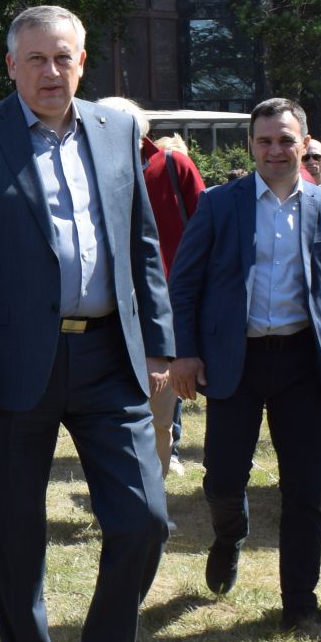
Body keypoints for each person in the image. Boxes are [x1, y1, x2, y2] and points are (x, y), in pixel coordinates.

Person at [0, 10, 175, 642]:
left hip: (110, 358)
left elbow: (141, 246)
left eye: (62, 58)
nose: (49, 72)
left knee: (145, 520)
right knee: (14, 538)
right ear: (10, 66)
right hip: (10, 372)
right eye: (34, 59)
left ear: (81, 64)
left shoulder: (112, 130)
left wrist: (160, 345)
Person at [167, 97, 321, 642]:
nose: (275, 150)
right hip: (234, 363)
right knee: (222, 479)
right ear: (251, 146)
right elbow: (184, 283)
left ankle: (301, 608)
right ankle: (228, 534)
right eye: (264, 141)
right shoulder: (219, 205)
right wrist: (184, 353)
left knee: (304, 490)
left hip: (301, 366)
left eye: (285, 140)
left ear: (304, 144)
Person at [101, 99, 205, 481]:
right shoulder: (87, 171)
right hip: (105, 309)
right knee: (107, 417)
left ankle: (153, 501)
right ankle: (117, 498)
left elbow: (205, 228)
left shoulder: (172, 165)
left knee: (160, 413)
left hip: (163, 307)